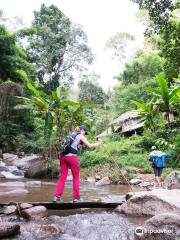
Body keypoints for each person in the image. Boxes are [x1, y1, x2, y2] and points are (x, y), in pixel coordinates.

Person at [53, 125, 103, 203]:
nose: (84, 134)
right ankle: (76, 198)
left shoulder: (71, 134)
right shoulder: (80, 135)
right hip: (71, 158)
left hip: (62, 157)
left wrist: (82, 142)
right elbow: (90, 146)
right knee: (76, 177)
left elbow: (73, 145)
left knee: (63, 177)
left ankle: (56, 197)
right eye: (85, 132)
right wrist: (99, 143)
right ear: (82, 130)